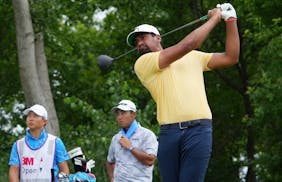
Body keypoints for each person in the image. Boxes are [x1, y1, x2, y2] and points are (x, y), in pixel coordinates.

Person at [126, 3, 239, 182]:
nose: (139, 43)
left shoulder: (194, 56)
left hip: (199, 130)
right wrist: (215, 18)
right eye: (136, 42)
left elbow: (231, 57)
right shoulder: (143, 63)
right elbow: (188, 44)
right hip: (169, 133)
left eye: (142, 38)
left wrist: (231, 20)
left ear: (158, 37)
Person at [8, 104, 70, 182]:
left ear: (44, 121)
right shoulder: (18, 145)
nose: (31, 119)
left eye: (35, 116)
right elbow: (13, 171)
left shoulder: (55, 142)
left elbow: (64, 169)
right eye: (29, 116)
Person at [106, 100, 158, 182]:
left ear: (133, 114)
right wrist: (112, 178)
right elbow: (109, 162)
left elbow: (150, 160)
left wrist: (130, 147)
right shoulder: (116, 138)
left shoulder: (147, 135)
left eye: (123, 113)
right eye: (118, 114)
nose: (119, 117)